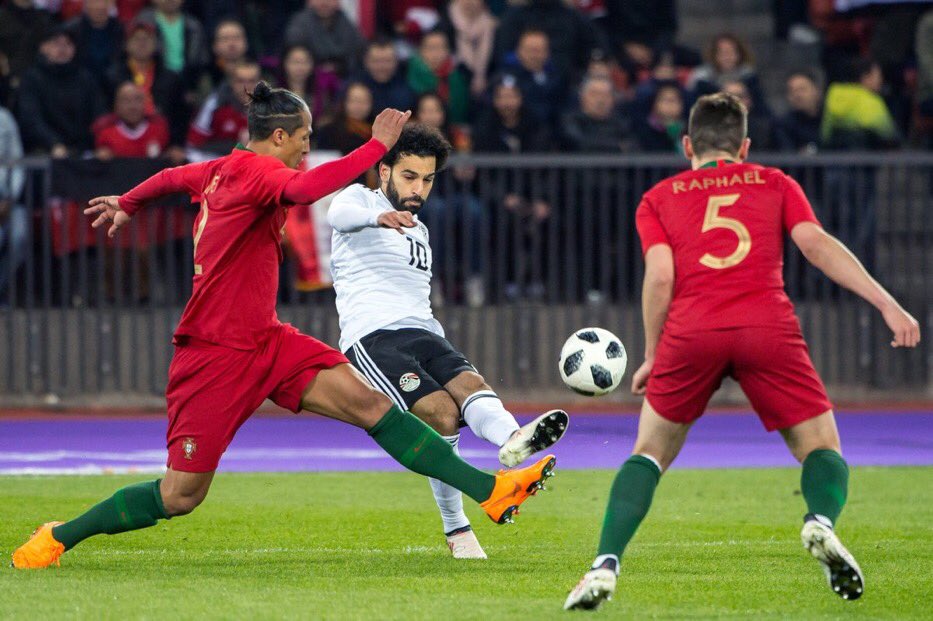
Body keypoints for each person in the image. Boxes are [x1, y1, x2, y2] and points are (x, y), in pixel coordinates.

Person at [11, 84, 557, 570]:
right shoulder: (260, 172)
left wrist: (129, 202)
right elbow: (307, 190)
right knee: (180, 496)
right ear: (278, 136)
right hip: (214, 354)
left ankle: (492, 492)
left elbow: (172, 177)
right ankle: (59, 535)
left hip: (268, 340)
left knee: (372, 406)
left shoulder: (218, 169)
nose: (305, 148)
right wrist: (374, 147)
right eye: (304, 138)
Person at [564, 92, 920, 610]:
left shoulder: (659, 197)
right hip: (766, 326)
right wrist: (887, 303)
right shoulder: (775, 182)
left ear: (688, 145)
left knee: (649, 453)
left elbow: (660, 276)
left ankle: (604, 564)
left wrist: (653, 353)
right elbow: (815, 245)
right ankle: (820, 522)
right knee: (821, 447)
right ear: (745, 146)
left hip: (693, 330)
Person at [327, 123, 569, 559]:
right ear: (385, 171)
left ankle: (514, 439)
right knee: (440, 413)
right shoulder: (359, 201)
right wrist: (377, 217)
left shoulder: (419, 230)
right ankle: (457, 526)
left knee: (473, 387)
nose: (418, 189)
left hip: (424, 331)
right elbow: (336, 215)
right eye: (409, 176)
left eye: (427, 179)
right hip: (374, 338)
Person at [16, 25, 105, 157]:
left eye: (68, 44)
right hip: (43, 150)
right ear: (43, 47)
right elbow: (31, 119)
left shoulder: (85, 78)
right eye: (56, 43)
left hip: (83, 151)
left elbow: (99, 115)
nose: (62, 49)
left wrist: (101, 143)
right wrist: (53, 144)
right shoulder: (32, 79)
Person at [105, 20, 186, 157]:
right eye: (136, 39)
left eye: (147, 39)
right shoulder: (112, 77)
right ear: (126, 44)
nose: (142, 43)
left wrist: (176, 145)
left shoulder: (171, 78)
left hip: (163, 143)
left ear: (155, 44)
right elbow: (106, 112)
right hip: (122, 141)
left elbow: (180, 116)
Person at [186, 60, 259, 161]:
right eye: (240, 81)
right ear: (232, 83)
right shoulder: (216, 103)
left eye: (251, 81)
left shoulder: (270, 108)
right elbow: (193, 145)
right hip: (217, 160)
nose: (246, 87)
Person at [284, 0, 366, 78]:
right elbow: (295, 52)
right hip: (309, 77)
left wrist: (338, 66)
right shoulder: (299, 23)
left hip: (343, 75)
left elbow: (357, 52)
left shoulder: (346, 23)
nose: (324, 2)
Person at [315, 81, 375, 185]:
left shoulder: (376, 131)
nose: (358, 106)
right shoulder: (329, 131)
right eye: (354, 101)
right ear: (344, 102)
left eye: (364, 102)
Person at [406, 29, 470, 125]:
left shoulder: (458, 77)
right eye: (431, 48)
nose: (435, 53)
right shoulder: (409, 76)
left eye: (440, 47)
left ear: (448, 50)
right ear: (421, 51)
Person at [93, 82, 171, 159]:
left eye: (137, 99)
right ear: (116, 106)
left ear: (145, 103)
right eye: (126, 101)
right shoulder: (105, 134)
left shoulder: (159, 130)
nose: (132, 106)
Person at [561, 76, 631, 152]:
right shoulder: (570, 121)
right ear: (583, 97)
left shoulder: (620, 122)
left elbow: (631, 145)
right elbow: (579, 142)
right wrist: (617, 146)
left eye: (606, 95)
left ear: (613, 100)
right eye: (595, 94)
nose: (601, 100)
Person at [278, 44, 341, 126]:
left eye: (305, 62)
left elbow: (327, 117)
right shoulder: (274, 91)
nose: (300, 67)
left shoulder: (320, 91)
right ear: (284, 63)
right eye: (295, 62)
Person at [0, 105, 26, 305]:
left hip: (8, 199)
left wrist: (10, 198)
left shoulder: (4, 117)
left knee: (20, 237)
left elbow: (17, 161)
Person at [65, 0, 124, 85]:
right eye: (94, 2)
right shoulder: (72, 30)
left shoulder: (119, 29)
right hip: (79, 82)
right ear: (86, 5)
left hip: (112, 82)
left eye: (104, 2)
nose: (99, 6)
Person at [352, 38, 416, 115]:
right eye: (376, 61)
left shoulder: (409, 86)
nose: (382, 67)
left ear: (396, 61)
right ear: (366, 61)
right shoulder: (353, 87)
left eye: (387, 61)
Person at [776, 70, 824, 153]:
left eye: (802, 89)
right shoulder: (783, 125)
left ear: (817, 91)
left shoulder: (830, 120)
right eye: (792, 91)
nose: (797, 95)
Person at [632, 81, 684, 152]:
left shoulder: (689, 131)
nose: (670, 104)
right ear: (655, 103)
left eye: (674, 100)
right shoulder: (641, 131)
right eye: (665, 100)